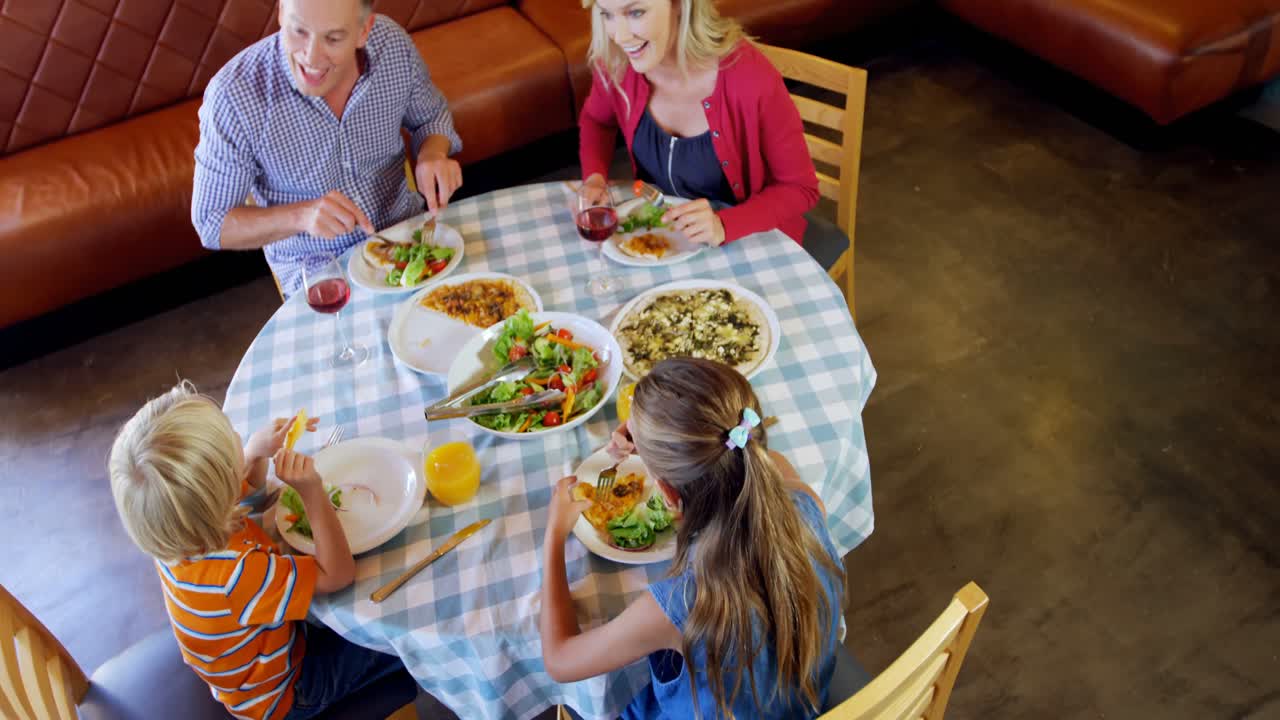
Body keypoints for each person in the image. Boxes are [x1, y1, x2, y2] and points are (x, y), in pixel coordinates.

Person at [540, 358, 844, 719]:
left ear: (668, 495)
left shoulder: (680, 604)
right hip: (805, 701)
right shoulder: (807, 502)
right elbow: (760, 460)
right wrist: (667, 448)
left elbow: (560, 660)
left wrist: (554, 535)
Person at [108, 383, 404, 720]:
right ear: (222, 488)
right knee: (394, 639)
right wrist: (312, 492)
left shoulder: (174, 528)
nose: (238, 434)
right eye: (231, 436)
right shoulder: (237, 573)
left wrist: (254, 454)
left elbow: (247, 502)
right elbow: (338, 575)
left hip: (250, 666)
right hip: (290, 691)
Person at [191, 0, 463, 296]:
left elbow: (431, 118)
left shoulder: (392, 46)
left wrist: (432, 154)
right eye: (299, 31)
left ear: (364, 30)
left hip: (411, 242)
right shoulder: (233, 95)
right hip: (324, 276)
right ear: (281, 12)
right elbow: (211, 222)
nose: (310, 57)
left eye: (333, 38)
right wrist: (301, 216)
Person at [578, 0, 820, 249]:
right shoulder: (617, 63)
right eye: (607, 14)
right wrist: (595, 176)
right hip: (668, 237)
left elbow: (800, 188)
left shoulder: (750, 77)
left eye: (636, 12)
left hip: (749, 239)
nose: (619, 36)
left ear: (679, 4)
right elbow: (597, 120)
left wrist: (723, 224)